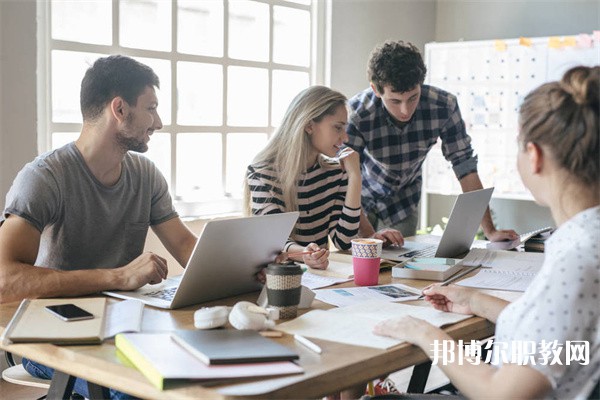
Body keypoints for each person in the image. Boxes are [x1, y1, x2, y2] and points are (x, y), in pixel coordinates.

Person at [373, 65, 600, 399]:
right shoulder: (586, 242)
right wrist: (475, 300)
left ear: (533, 155)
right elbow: (570, 348)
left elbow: (502, 394)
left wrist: (426, 335)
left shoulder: (578, 258)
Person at [0, 55, 198, 399]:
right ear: (119, 109)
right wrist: (116, 277)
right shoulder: (44, 177)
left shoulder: (145, 174)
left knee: (193, 373)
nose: (159, 122)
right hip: (51, 332)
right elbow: (4, 280)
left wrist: (243, 266)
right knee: (145, 388)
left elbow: (184, 245)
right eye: (150, 108)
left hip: (121, 324)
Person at [346, 40, 518, 243]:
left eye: (412, 98)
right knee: (359, 265)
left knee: (399, 265)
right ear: (376, 90)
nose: (405, 110)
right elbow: (346, 176)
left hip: (403, 203)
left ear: (421, 84)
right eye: (395, 101)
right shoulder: (357, 113)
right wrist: (368, 235)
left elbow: (466, 168)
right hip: (359, 200)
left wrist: (490, 231)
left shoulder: (444, 106)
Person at [244, 85, 361, 270]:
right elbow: (274, 240)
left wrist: (355, 177)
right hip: (276, 279)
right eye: (338, 127)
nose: (345, 138)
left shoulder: (335, 173)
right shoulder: (262, 174)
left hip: (321, 280)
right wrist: (304, 255)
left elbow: (344, 242)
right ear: (308, 125)